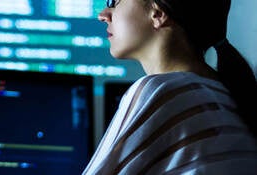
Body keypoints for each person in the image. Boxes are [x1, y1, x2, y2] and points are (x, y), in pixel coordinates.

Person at [82, 0, 257, 174]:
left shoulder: (160, 91)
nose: (102, 15)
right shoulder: (227, 94)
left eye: (114, 2)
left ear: (157, 14)